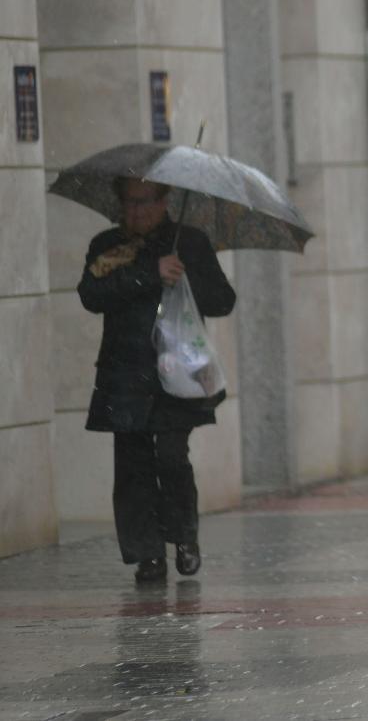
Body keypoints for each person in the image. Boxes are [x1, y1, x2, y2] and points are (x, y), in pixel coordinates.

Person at [78, 177, 236, 583]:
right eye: (128, 203)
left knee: (171, 457)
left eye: (145, 202)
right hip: (124, 372)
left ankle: (184, 537)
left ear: (164, 201)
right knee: (132, 464)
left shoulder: (191, 242)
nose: (136, 211)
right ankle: (146, 553)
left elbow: (223, 300)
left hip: (178, 372)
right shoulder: (107, 246)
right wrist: (150, 272)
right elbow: (92, 294)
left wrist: (185, 278)